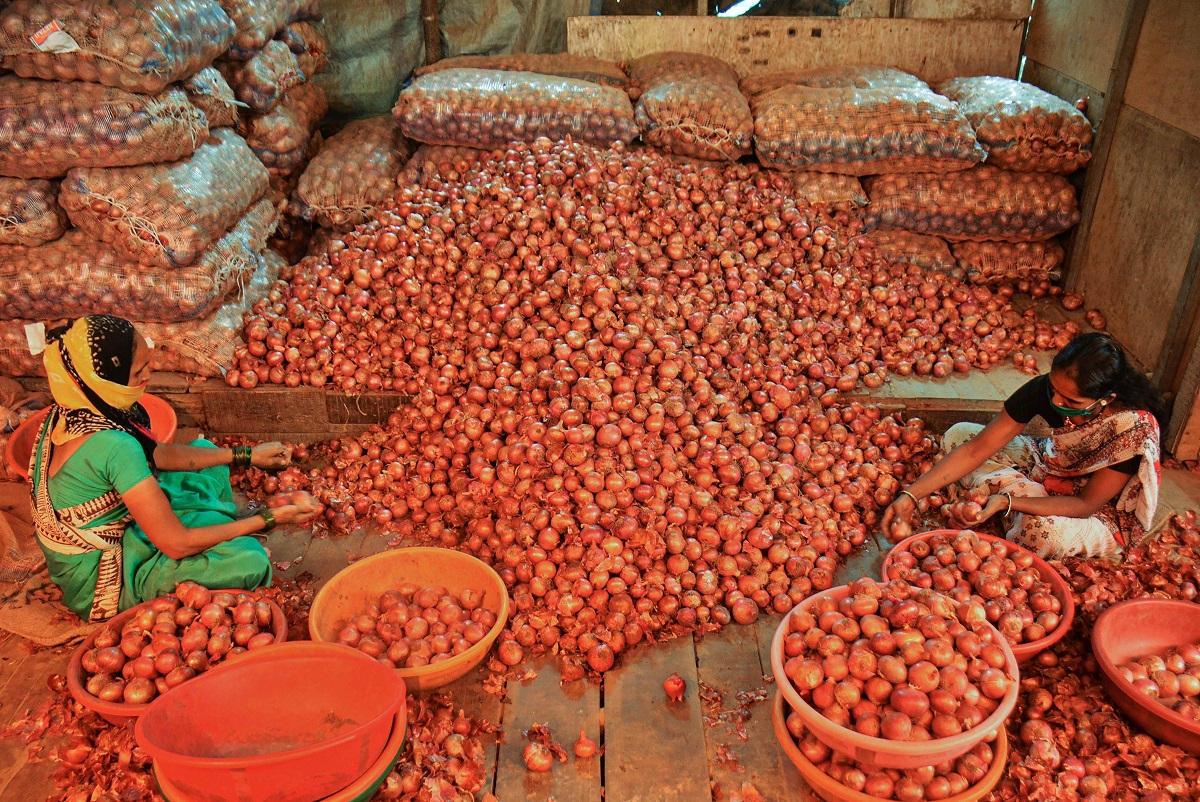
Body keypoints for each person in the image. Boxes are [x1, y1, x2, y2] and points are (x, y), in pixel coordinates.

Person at [29, 315, 319, 622]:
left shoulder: (79, 405)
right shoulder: (114, 445)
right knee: (250, 561)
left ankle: (217, 529)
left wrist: (247, 455)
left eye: (147, 362)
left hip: (122, 524)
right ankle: (219, 534)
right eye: (137, 370)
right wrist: (268, 518)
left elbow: (159, 455)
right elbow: (176, 545)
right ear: (107, 378)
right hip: (103, 577)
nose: (149, 373)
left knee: (206, 452)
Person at [882, 333, 1167, 559]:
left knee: (1043, 534)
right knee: (960, 434)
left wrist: (1007, 502)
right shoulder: (1048, 390)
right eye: (1055, 390)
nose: (1056, 402)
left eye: (1071, 403)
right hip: (1049, 463)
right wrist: (910, 494)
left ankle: (1005, 502)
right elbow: (975, 449)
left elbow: (1085, 504)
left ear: (1105, 399)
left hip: (1095, 509)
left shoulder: (1131, 431)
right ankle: (1010, 504)